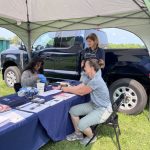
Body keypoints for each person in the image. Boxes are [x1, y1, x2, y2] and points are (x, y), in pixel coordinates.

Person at [61, 59, 112, 145]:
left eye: (85, 66)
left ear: (92, 68)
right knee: (73, 111)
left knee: (81, 124)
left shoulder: (96, 80)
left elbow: (81, 92)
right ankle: (78, 134)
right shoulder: (92, 76)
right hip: (95, 105)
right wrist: (67, 88)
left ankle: (91, 137)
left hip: (103, 109)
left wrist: (66, 89)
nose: (84, 68)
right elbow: (80, 86)